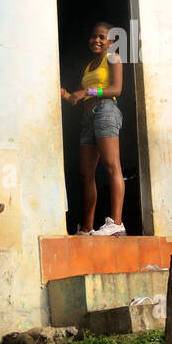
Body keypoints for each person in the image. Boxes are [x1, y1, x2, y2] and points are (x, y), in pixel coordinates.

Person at [60, 21, 125, 236]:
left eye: (102, 37)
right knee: (85, 174)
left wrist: (87, 91)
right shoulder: (88, 67)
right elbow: (75, 98)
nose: (96, 40)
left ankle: (116, 223)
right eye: (93, 36)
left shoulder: (113, 58)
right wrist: (65, 94)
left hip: (106, 111)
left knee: (110, 165)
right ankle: (87, 228)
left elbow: (117, 89)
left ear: (111, 42)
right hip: (88, 117)